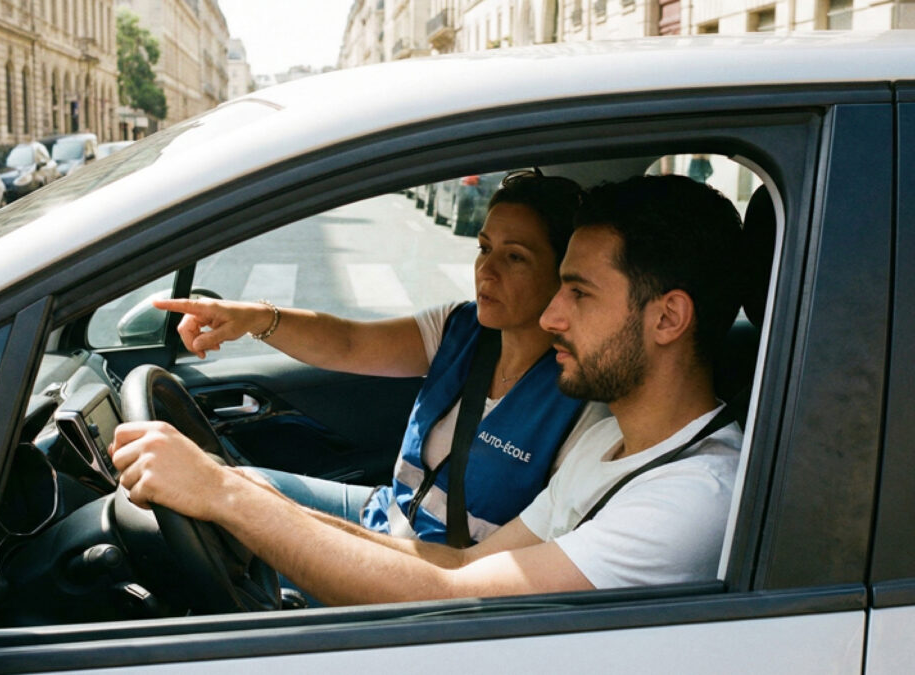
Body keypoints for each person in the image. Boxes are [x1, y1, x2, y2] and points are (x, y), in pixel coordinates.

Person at [111, 174, 747, 606]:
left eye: (578, 293)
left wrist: (224, 494)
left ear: (667, 318)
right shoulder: (610, 444)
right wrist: (241, 493)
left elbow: (449, 598)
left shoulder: (690, 501)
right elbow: (464, 568)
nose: (554, 316)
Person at [153, 172, 585, 545]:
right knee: (236, 488)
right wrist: (255, 318)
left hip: (429, 574)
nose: (486, 271)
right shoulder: (460, 328)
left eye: (515, 257)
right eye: (484, 248)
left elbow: (491, 571)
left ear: (564, 274)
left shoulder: (581, 394)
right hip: (383, 516)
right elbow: (348, 342)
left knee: (239, 521)